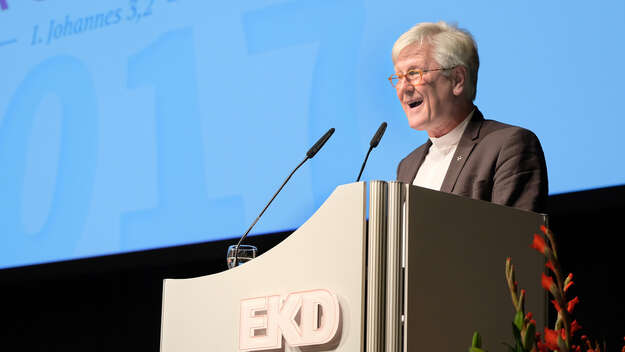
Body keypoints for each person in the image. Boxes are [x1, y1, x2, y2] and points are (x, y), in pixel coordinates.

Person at [392, 21, 548, 213]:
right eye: (398, 77)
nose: (402, 88)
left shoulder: (508, 146)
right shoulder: (407, 166)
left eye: (414, 73)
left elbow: (513, 238)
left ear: (457, 80)